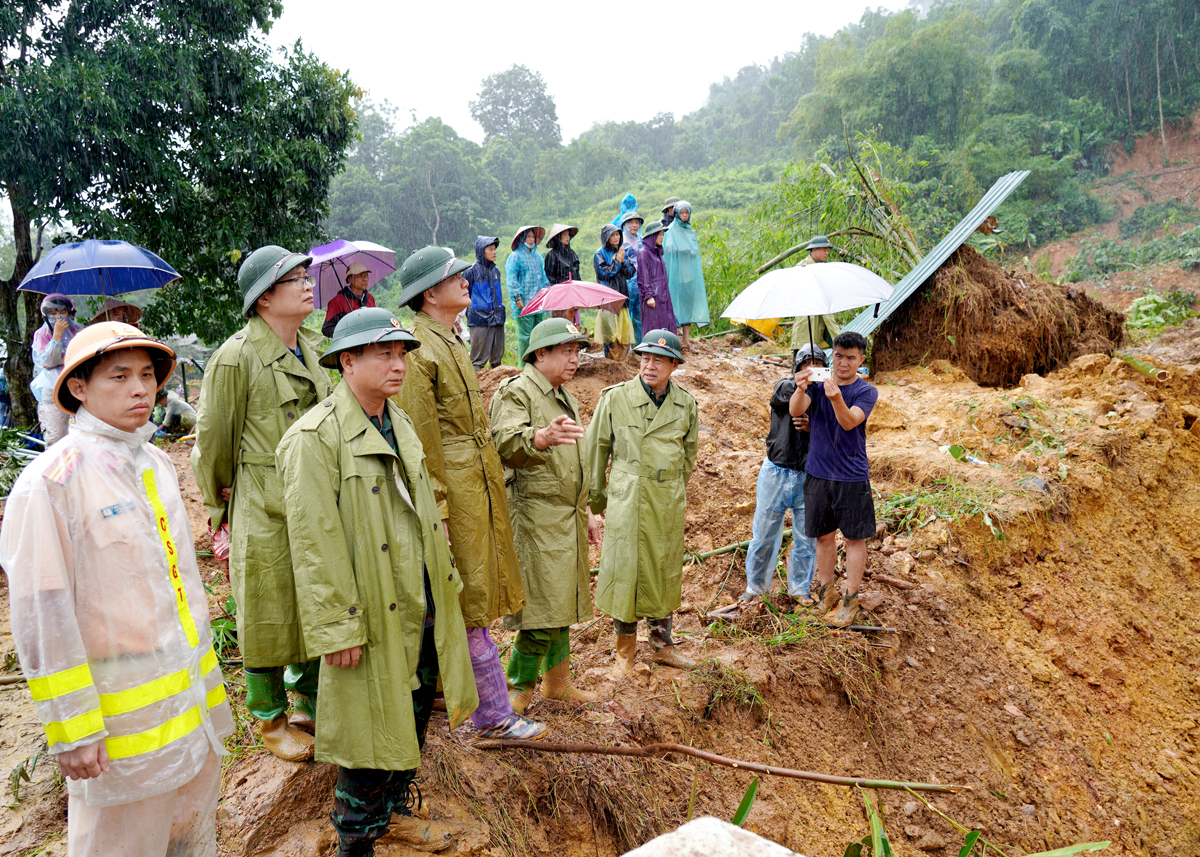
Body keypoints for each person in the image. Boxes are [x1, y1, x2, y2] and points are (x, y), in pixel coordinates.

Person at [0, 321, 233, 857]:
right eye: (120, 376)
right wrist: (72, 729)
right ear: (77, 387)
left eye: (148, 376)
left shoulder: (152, 463)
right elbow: (43, 616)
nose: (140, 390)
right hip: (116, 733)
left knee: (188, 837)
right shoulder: (51, 483)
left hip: (188, 712)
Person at [278, 308, 478, 856]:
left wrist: (447, 582)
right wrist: (338, 626)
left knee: (412, 713)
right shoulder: (313, 439)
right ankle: (354, 843)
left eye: (401, 353)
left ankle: (392, 814)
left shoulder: (399, 421)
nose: (397, 364)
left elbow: (423, 511)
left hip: (418, 597)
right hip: (368, 608)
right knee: (369, 731)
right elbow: (315, 545)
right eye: (382, 353)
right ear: (347, 361)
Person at [395, 246, 547, 741]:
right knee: (468, 598)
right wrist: (436, 507)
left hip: (475, 480)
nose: (465, 279)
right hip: (453, 491)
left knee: (474, 590)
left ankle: (452, 698)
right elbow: (421, 440)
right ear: (429, 293)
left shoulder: (452, 340)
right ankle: (492, 715)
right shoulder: (420, 348)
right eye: (453, 276)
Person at [191, 245, 331, 761]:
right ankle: (270, 720)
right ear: (265, 297)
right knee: (267, 608)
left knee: (313, 599)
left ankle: (311, 703)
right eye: (294, 278)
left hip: (312, 497)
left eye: (305, 275)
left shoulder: (310, 349)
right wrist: (221, 504)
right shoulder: (236, 356)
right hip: (261, 498)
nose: (306, 284)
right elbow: (213, 441)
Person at [489, 318, 601, 714]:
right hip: (535, 516)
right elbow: (503, 441)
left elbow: (573, 461)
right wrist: (539, 437)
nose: (575, 359)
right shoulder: (517, 391)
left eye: (577, 351)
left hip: (564, 515)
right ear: (540, 354)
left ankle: (558, 683)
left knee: (562, 601)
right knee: (541, 607)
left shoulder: (559, 394)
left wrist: (584, 509)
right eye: (566, 351)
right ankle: (515, 691)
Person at [586, 329, 699, 676]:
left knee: (662, 570)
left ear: (674, 365)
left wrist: (669, 491)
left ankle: (663, 645)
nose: (649, 365)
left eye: (659, 360)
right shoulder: (615, 398)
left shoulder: (686, 404)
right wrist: (597, 499)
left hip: (665, 501)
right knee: (625, 570)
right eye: (645, 358)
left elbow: (688, 458)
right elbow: (596, 450)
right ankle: (625, 652)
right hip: (627, 498)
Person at [789, 331, 878, 628]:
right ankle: (826, 592)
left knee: (854, 538)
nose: (843, 363)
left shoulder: (866, 392)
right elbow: (795, 410)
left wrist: (836, 398)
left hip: (851, 477)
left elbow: (849, 421)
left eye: (850, 358)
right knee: (823, 536)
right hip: (817, 473)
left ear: (860, 360)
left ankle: (851, 600)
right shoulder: (818, 383)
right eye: (838, 355)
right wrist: (800, 388)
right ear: (832, 356)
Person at [739, 345, 828, 608]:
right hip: (775, 472)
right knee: (764, 534)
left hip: (810, 475)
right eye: (806, 362)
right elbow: (790, 405)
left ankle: (800, 588)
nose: (811, 367)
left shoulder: (828, 396)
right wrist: (803, 389)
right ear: (797, 365)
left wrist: (817, 425)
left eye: (817, 363)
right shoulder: (785, 386)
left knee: (806, 538)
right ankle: (755, 588)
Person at [31, 293, 85, 445]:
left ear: (70, 313)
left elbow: (86, 354)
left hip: (80, 384)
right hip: (54, 388)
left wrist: (60, 360)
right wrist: (57, 336)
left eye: (62, 312)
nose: (58, 317)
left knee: (85, 431)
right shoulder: (41, 334)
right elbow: (47, 362)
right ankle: (57, 467)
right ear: (46, 315)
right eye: (53, 313)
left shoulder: (79, 331)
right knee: (57, 437)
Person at [663, 200, 709, 350]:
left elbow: (694, 251)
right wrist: (684, 250)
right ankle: (675, 339)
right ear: (676, 214)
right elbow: (669, 250)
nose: (684, 215)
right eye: (682, 212)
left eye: (686, 213)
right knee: (675, 306)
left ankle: (687, 340)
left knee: (687, 306)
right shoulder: (670, 230)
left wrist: (686, 250)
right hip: (675, 277)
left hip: (688, 276)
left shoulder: (691, 232)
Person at [789, 235, 842, 356]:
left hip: (822, 316)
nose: (827, 253)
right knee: (803, 353)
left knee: (818, 356)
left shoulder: (824, 267)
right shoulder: (802, 267)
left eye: (827, 250)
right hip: (806, 317)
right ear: (814, 250)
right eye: (824, 250)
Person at [506, 226, 551, 360]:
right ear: (522, 238)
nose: (531, 240)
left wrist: (547, 293)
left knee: (538, 335)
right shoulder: (515, 256)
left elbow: (543, 277)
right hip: (524, 303)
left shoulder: (537, 256)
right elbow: (512, 278)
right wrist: (517, 296)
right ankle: (524, 366)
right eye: (528, 237)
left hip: (538, 302)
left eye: (533, 237)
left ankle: (537, 364)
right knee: (525, 337)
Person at [593, 225, 636, 360]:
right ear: (607, 237)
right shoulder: (599, 254)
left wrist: (622, 261)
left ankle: (622, 362)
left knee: (623, 333)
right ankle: (611, 363)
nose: (616, 238)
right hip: (608, 300)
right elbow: (605, 273)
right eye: (613, 235)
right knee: (610, 333)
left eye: (618, 235)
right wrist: (617, 261)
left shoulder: (621, 251)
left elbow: (630, 272)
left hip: (622, 298)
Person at [464, 236, 506, 370]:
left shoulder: (496, 271)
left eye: (495, 249)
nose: (494, 252)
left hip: (497, 319)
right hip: (479, 320)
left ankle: (496, 389)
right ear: (482, 251)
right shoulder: (470, 272)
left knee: (497, 360)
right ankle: (475, 389)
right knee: (478, 361)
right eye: (491, 249)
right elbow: (462, 296)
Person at [636, 221, 676, 335]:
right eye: (659, 234)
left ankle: (664, 351)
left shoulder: (658, 253)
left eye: (663, 234)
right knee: (653, 327)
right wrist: (649, 296)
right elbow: (643, 276)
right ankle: (652, 352)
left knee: (665, 324)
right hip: (653, 297)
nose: (662, 237)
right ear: (652, 236)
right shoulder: (643, 253)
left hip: (663, 296)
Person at [543, 224, 585, 331]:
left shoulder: (572, 254)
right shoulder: (552, 255)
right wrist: (558, 293)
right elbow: (550, 277)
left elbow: (577, 275)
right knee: (561, 325)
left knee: (575, 322)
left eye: (568, 235)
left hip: (573, 295)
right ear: (558, 237)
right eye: (565, 234)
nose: (568, 237)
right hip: (559, 297)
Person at [321, 262, 377, 338]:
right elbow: (327, 329)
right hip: (349, 347)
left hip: (369, 344)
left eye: (366, 276)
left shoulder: (370, 298)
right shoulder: (337, 301)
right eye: (360, 276)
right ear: (350, 280)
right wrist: (347, 332)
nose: (365, 279)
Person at [620, 210, 645, 342]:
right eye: (631, 222)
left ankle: (638, 346)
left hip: (640, 284)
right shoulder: (620, 241)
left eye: (637, 222)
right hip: (626, 284)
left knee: (638, 317)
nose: (634, 225)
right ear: (625, 225)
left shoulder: (641, 240)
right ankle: (626, 346)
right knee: (625, 316)